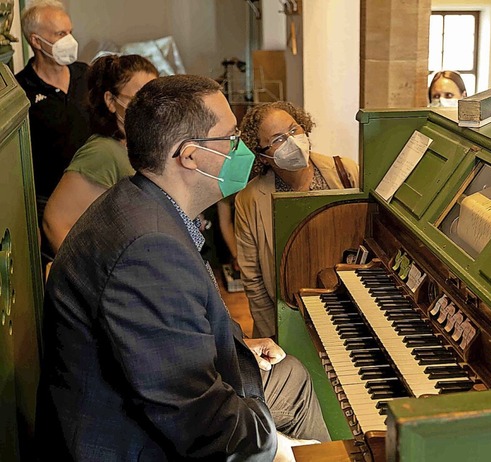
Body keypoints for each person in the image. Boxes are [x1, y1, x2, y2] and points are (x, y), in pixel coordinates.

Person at [36, 75, 330, 461]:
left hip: (152, 404)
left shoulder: (142, 201)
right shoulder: (149, 248)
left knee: (290, 375)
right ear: (189, 155)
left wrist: (234, 346)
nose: (242, 149)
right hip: (130, 442)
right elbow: (197, 420)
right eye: (231, 138)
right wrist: (280, 450)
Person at [236, 101, 359, 339]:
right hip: (288, 315)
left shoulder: (345, 171)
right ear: (262, 156)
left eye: (294, 130)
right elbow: (253, 278)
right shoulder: (249, 199)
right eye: (278, 139)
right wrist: (278, 333)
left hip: (348, 309)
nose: (292, 141)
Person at [42, 54, 159, 254]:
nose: (150, 108)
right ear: (111, 101)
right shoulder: (101, 153)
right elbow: (55, 222)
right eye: (138, 99)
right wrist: (84, 281)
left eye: (155, 98)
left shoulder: (138, 147)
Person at [15, 0, 91, 218]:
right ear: (37, 41)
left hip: (96, 190)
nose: (70, 40)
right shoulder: (21, 91)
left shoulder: (86, 75)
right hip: (51, 203)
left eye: (70, 32)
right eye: (60, 34)